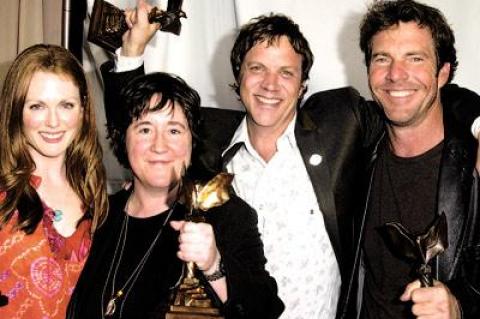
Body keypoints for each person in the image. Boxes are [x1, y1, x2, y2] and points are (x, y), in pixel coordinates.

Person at [100, 1, 480, 318]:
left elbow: (414, 96)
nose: (270, 85)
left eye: (286, 72)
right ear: (237, 77)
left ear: (303, 86)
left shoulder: (340, 125)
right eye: (257, 69)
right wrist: (131, 54)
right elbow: (140, 126)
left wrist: (478, 122)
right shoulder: (208, 141)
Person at [67, 72, 283, 318]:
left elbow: (264, 310)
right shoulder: (100, 216)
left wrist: (214, 266)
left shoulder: (224, 215)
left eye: (174, 131)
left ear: (192, 142)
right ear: (122, 139)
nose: (160, 145)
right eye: (145, 129)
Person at [348, 0, 480, 318]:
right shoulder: (354, 149)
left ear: (442, 73)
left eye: (415, 58)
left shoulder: (472, 169)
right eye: (383, 59)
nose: (396, 74)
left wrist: (459, 309)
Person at [0, 44, 108, 318]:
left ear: (83, 110)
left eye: (66, 105)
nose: (52, 121)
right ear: (16, 111)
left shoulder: (99, 199)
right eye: (37, 106)